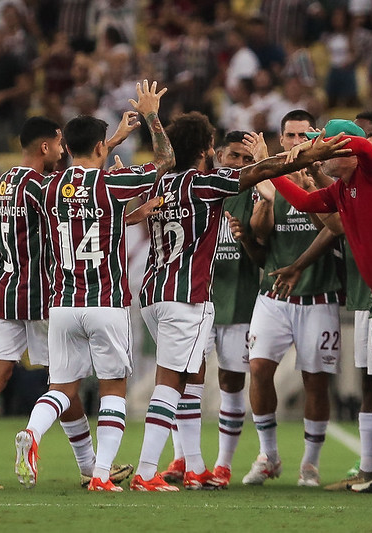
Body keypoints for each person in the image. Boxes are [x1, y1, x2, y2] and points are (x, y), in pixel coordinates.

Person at [129, 111, 351, 492]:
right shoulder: (207, 184)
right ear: (207, 150)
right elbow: (261, 173)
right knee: (172, 384)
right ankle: (146, 471)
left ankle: (196, 465)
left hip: (151, 293)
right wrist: (310, 153)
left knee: (192, 381)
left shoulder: (157, 181)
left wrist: (153, 119)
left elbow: (132, 211)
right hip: (187, 295)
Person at [14, 80, 173, 493]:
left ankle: (32, 433)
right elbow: (166, 159)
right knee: (112, 388)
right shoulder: (113, 186)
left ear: (64, 147)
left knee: (62, 389)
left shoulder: (47, 188)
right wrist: (151, 114)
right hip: (106, 302)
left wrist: (107, 141)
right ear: (103, 149)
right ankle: (100, 475)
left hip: (62, 304)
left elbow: (75, 179)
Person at [0, 116, 132, 490]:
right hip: (39, 295)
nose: (61, 152)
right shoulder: (41, 186)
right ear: (44, 147)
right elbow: (80, 193)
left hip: (4, 291)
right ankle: (90, 467)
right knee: (64, 385)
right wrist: (127, 217)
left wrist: (111, 140)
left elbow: (77, 178)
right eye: (57, 145)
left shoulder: (2, 182)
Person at [269, 118, 372, 493]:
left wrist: (325, 144)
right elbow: (304, 200)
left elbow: (362, 147)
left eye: (323, 146)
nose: (319, 154)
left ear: (342, 147)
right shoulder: (345, 188)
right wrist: (276, 167)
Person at [242, 110, 344, 488]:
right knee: (258, 369)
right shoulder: (268, 177)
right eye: (290, 135)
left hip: (318, 295)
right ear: (281, 140)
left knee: (315, 382)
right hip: (272, 295)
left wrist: (300, 186)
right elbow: (262, 235)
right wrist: (267, 202)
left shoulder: (327, 179)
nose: (297, 140)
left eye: (304, 134)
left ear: (315, 138)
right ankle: (268, 455)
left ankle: (311, 465)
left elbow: (332, 229)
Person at [158, 131, 262, 488]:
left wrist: (246, 234)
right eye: (235, 156)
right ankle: (182, 456)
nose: (241, 164)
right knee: (184, 379)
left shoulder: (252, 192)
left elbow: (263, 252)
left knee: (231, 382)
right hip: (194, 300)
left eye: (249, 160)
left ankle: (222, 464)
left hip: (238, 302)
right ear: (217, 154)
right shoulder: (196, 189)